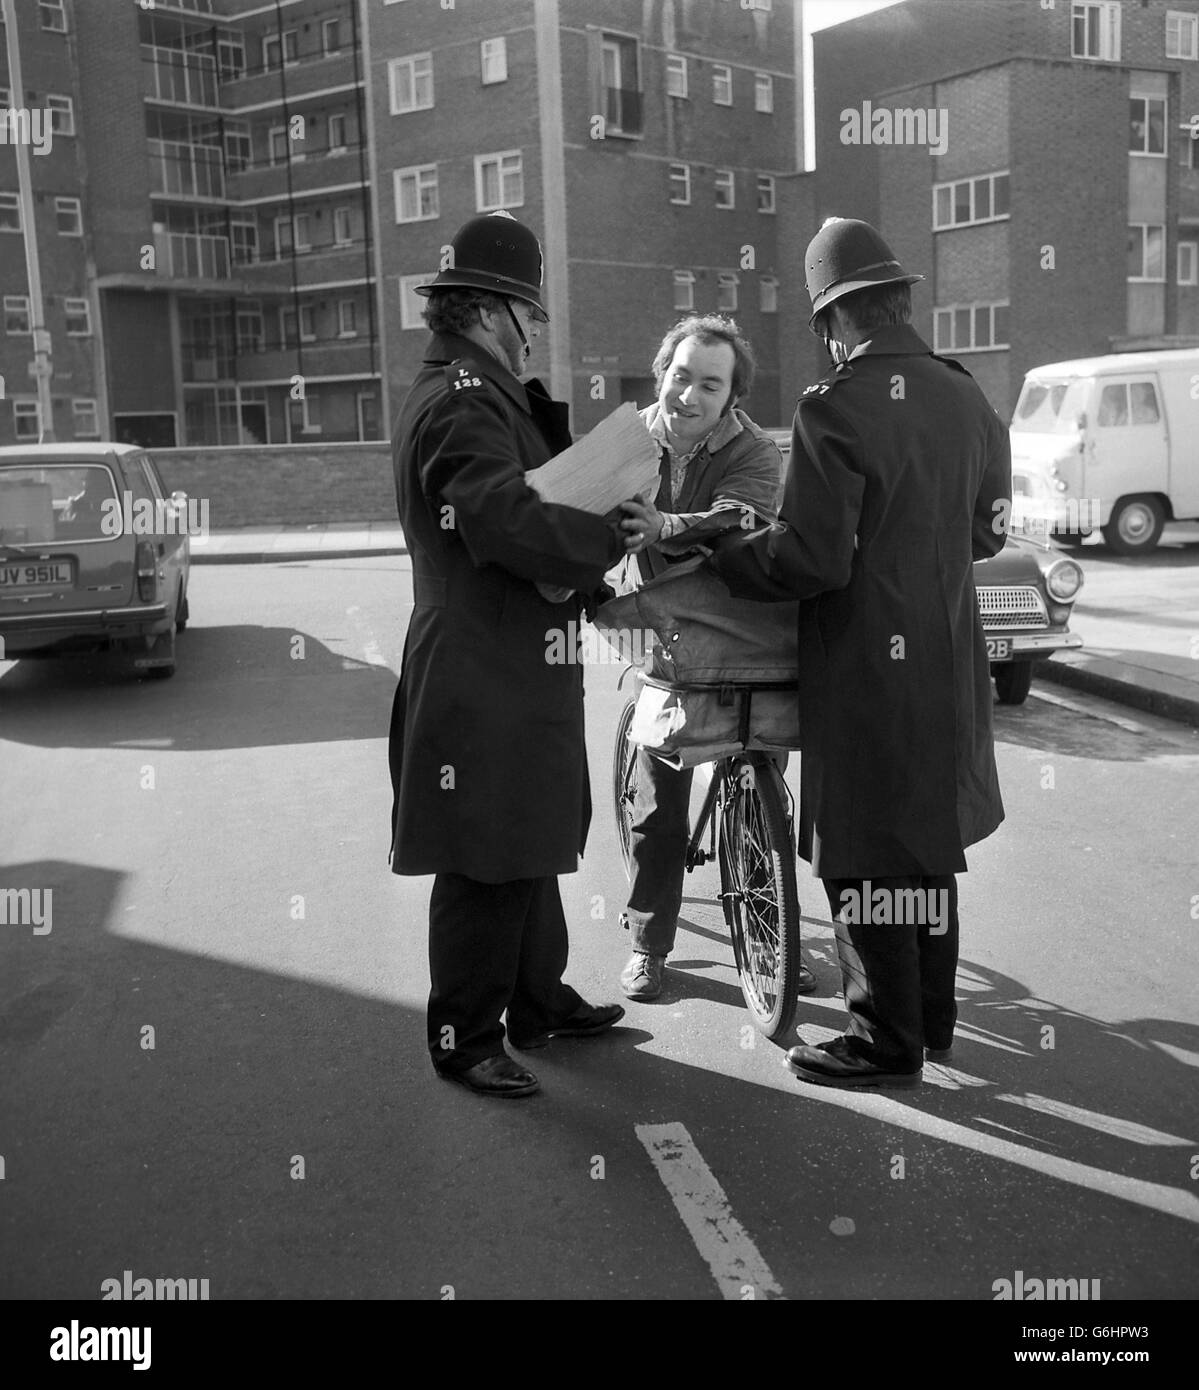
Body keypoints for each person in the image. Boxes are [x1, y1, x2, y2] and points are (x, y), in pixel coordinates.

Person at [708, 218, 1011, 1088]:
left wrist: (732, 551)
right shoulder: (965, 394)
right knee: (923, 840)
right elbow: (989, 534)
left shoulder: (831, 408)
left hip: (866, 669)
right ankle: (931, 1017)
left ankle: (883, 1038)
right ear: (900, 301)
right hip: (949, 655)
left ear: (834, 321)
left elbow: (810, 558)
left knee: (866, 850)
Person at [388, 211, 635, 1099]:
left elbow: (533, 507)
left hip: (512, 658)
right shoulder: (461, 397)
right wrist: (602, 540)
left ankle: (536, 1000)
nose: (533, 335)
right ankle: (462, 1035)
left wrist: (607, 590)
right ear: (494, 311)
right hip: (481, 664)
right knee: (482, 854)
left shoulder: (482, 392)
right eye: (530, 317)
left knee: (525, 838)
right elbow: (501, 519)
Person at [616, 315, 817, 1002]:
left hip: (742, 628)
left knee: (765, 792)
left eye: (709, 384)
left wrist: (666, 526)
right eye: (680, 377)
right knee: (657, 808)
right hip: (662, 633)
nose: (689, 396)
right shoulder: (625, 443)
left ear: (731, 396)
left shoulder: (755, 450)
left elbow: (740, 522)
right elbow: (577, 516)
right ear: (661, 375)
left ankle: (773, 936)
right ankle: (648, 943)